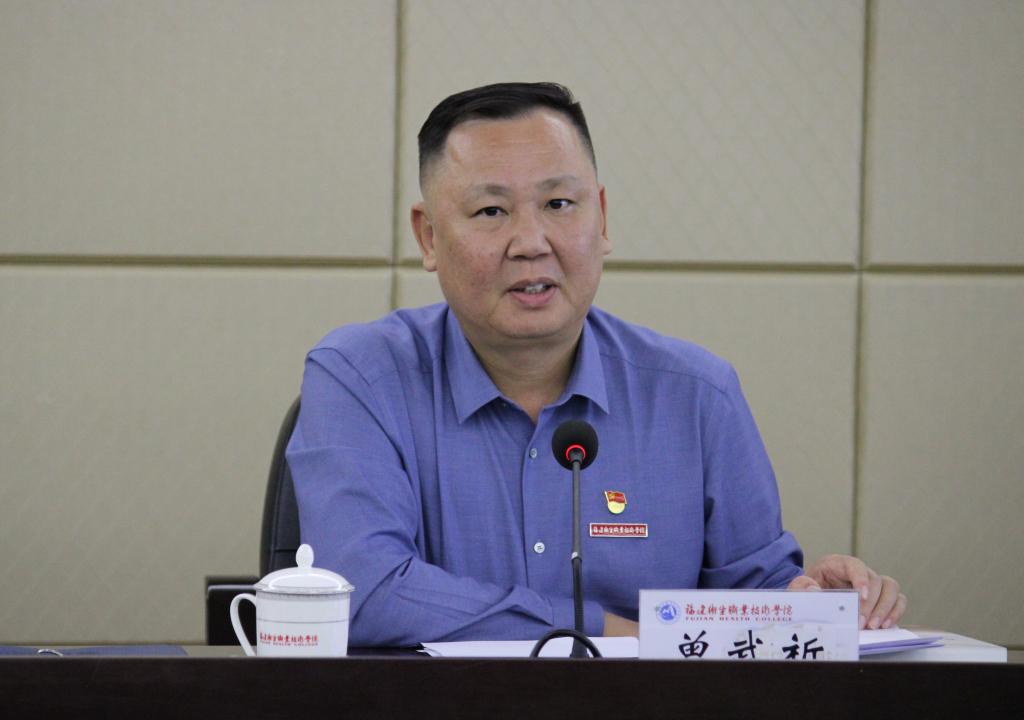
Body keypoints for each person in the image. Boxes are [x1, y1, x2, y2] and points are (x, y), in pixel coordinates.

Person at [287, 82, 906, 646]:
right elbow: (360, 593)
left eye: (559, 204)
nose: (532, 243)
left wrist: (815, 604)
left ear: (602, 218)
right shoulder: (361, 378)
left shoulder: (697, 396)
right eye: (491, 212)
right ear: (428, 237)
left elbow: (755, 608)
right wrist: (597, 632)